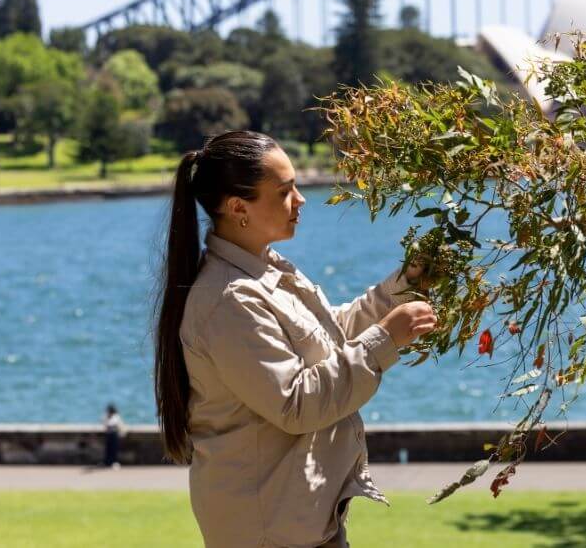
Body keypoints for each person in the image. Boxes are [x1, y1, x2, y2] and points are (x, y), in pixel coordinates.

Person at [153, 130, 437, 548]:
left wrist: (403, 287)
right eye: (284, 191)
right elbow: (296, 402)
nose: (301, 200)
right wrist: (385, 338)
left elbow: (327, 339)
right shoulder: (228, 300)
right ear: (238, 208)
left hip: (297, 521)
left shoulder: (264, 271)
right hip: (268, 530)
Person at [102, 403, 126, 469]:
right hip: (109, 435)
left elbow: (120, 425)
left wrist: (122, 433)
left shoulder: (116, 417)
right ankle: (107, 462)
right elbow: (105, 424)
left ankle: (115, 462)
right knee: (108, 449)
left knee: (114, 450)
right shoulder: (106, 416)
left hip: (114, 435)